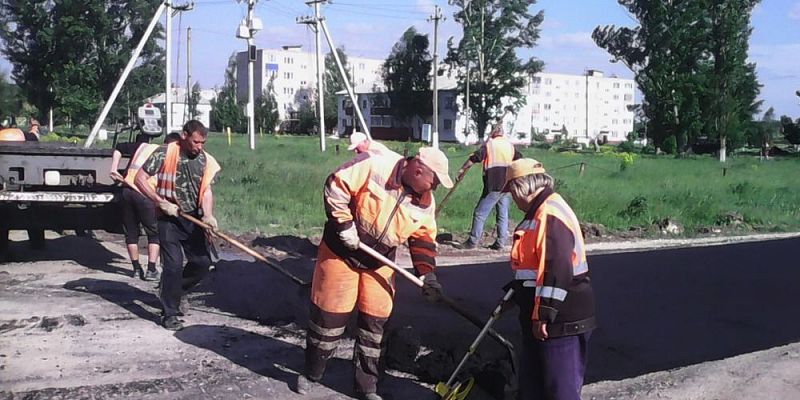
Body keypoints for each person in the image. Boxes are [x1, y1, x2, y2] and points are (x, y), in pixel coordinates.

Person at [296, 146, 453, 400]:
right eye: (433, 181)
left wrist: (427, 275)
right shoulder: (375, 165)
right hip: (341, 253)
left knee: (375, 325)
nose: (433, 188)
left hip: (380, 262)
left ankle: (367, 387)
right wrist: (344, 225)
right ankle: (312, 373)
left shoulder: (424, 202)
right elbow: (336, 185)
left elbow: (423, 238)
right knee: (328, 319)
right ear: (418, 169)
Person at [502, 158, 596, 400]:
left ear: (519, 187)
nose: (512, 199)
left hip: (561, 321)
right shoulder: (541, 211)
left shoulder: (549, 213)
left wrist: (545, 314)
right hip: (548, 318)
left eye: (511, 192)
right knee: (535, 388)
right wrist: (517, 291)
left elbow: (556, 267)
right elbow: (535, 268)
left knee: (559, 391)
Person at [135, 121, 221, 331]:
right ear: (184, 135)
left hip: (193, 219)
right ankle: (170, 313)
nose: (199, 146)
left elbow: (206, 190)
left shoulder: (205, 161)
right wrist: (160, 201)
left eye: (203, 142)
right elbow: (140, 179)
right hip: (168, 217)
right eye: (195, 141)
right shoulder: (165, 153)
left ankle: (172, 290)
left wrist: (208, 215)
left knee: (202, 263)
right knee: (173, 265)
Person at [109, 133, 180, 280]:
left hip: (127, 191)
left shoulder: (143, 146)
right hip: (146, 195)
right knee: (154, 233)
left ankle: (136, 269)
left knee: (131, 232)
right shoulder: (168, 156)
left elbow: (119, 147)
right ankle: (152, 269)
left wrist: (114, 169)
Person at [456, 123, 521, 250]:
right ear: (502, 133)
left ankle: (472, 241)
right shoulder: (509, 146)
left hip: (494, 184)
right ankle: (501, 243)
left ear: (492, 132)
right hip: (507, 184)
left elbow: (475, 158)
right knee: (503, 213)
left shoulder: (490, 145)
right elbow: (520, 159)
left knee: (480, 213)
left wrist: (461, 170)